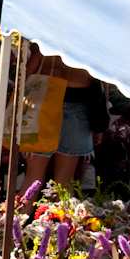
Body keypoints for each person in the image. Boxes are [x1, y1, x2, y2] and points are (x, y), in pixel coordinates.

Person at [23, 52, 101, 189]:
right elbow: (100, 81)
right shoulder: (87, 41)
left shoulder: (48, 37)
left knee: (33, 179)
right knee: (64, 184)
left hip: (43, 106)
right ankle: (57, 210)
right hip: (77, 105)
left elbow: (27, 73)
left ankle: (20, 210)